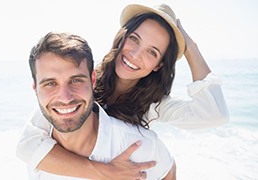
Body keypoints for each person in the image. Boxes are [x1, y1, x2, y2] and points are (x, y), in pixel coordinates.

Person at [17, 3, 229, 179]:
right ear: (122, 36)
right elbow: (27, 145)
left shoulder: (155, 105)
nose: (135, 54)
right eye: (134, 39)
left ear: (159, 65)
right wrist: (106, 172)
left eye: (152, 52)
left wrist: (190, 47)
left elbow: (214, 114)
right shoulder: (81, 83)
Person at [26, 31, 176, 180]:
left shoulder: (139, 145)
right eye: (50, 84)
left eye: (76, 80)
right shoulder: (37, 153)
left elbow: (167, 171)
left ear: (92, 80)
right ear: (35, 89)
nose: (65, 98)